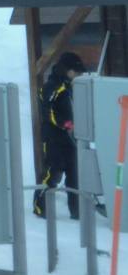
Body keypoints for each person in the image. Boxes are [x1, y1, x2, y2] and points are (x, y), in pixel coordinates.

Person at [33, 51, 85, 218]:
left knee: (74, 175)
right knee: (52, 173)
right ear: (68, 70)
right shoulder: (52, 86)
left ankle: (76, 213)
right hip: (53, 137)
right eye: (76, 72)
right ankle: (40, 209)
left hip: (71, 139)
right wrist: (64, 124)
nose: (78, 75)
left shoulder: (71, 87)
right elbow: (47, 110)